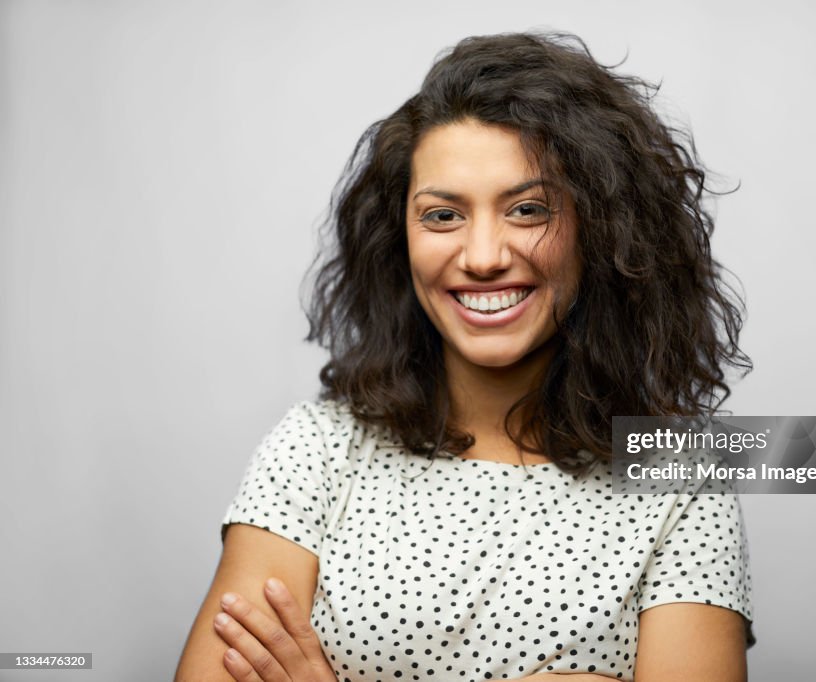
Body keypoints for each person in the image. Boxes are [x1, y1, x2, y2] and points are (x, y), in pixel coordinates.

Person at [175, 31, 754, 682]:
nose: (481, 256)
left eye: (528, 209)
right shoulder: (317, 448)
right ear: (400, 238)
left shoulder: (681, 475)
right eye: (443, 215)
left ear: (604, 230)